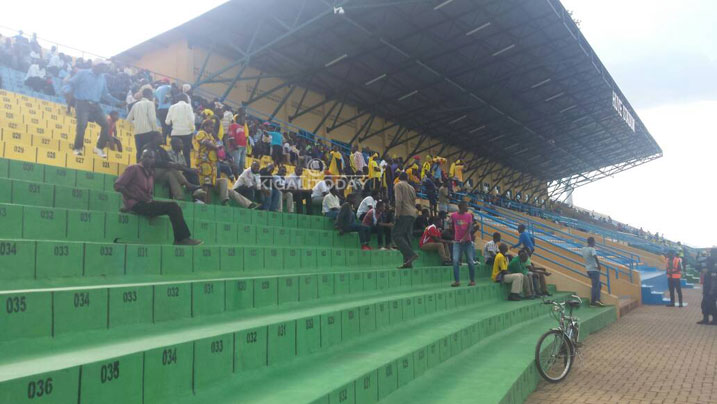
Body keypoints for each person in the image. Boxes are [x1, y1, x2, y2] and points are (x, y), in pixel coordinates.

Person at [114, 149, 201, 246]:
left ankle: (181, 239)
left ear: (154, 160)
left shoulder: (151, 173)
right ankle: (181, 239)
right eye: (145, 156)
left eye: (150, 157)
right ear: (141, 157)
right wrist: (132, 198)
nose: (147, 159)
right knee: (173, 207)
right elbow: (118, 186)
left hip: (146, 203)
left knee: (174, 206)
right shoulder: (133, 168)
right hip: (136, 204)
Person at [64, 60, 123, 157]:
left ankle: (99, 148)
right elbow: (70, 83)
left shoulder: (102, 78)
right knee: (82, 125)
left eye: (104, 66)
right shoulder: (83, 73)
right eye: (102, 66)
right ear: (95, 66)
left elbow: (105, 94)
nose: (104, 68)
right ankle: (77, 148)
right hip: (82, 103)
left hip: (95, 105)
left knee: (106, 124)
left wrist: (118, 102)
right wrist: (66, 91)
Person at [142, 133, 205, 201]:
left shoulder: (161, 149)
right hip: (150, 171)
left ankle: (180, 197)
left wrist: (174, 164)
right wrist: (168, 164)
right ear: (154, 138)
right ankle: (187, 184)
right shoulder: (148, 148)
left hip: (161, 172)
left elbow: (169, 160)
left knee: (170, 175)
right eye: (161, 137)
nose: (163, 138)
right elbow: (152, 162)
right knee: (171, 168)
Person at [127, 88, 161, 162]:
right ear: (150, 95)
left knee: (139, 153)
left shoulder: (135, 104)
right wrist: (156, 131)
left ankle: (138, 167)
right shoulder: (150, 103)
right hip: (148, 132)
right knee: (149, 153)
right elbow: (152, 119)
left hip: (137, 133)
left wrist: (136, 124)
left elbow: (128, 120)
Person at [394, 172, 418, 268]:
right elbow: (414, 201)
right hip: (412, 213)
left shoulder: (398, 185)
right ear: (407, 178)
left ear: (399, 178)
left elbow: (398, 200)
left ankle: (411, 254)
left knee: (396, 235)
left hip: (404, 213)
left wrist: (397, 214)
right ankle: (408, 263)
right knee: (407, 237)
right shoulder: (412, 188)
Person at [449, 201, 477, 287]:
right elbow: (451, 226)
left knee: (470, 261)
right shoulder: (453, 215)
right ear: (461, 206)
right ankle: (457, 281)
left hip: (467, 242)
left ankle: (472, 280)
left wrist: (464, 238)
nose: (467, 207)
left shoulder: (469, 216)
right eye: (466, 205)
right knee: (455, 260)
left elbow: (469, 228)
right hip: (457, 242)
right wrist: (455, 237)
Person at [165, 94, 195, 168]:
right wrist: (192, 129)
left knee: (174, 153)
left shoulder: (172, 107)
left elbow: (167, 122)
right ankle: (187, 171)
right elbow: (192, 120)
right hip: (187, 133)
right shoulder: (188, 107)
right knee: (186, 154)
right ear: (186, 99)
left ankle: (174, 170)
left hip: (175, 133)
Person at [581, 237, 604, 307]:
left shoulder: (583, 249)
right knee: (595, 286)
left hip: (588, 269)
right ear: (592, 242)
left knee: (599, 285)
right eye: (594, 242)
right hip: (594, 269)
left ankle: (597, 299)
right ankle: (593, 302)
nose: (595, 243)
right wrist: (599, 265)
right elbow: (595, 256)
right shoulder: (592, 249)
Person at [698, 248, 716, 325]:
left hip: (712, 289)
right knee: (704, 304)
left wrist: (712, 290)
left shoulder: (714, 267)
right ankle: (705, 318)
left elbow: (714, 281)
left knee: (711, 305)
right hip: (707, 288)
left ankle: (715, 320)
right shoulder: (709, 266)